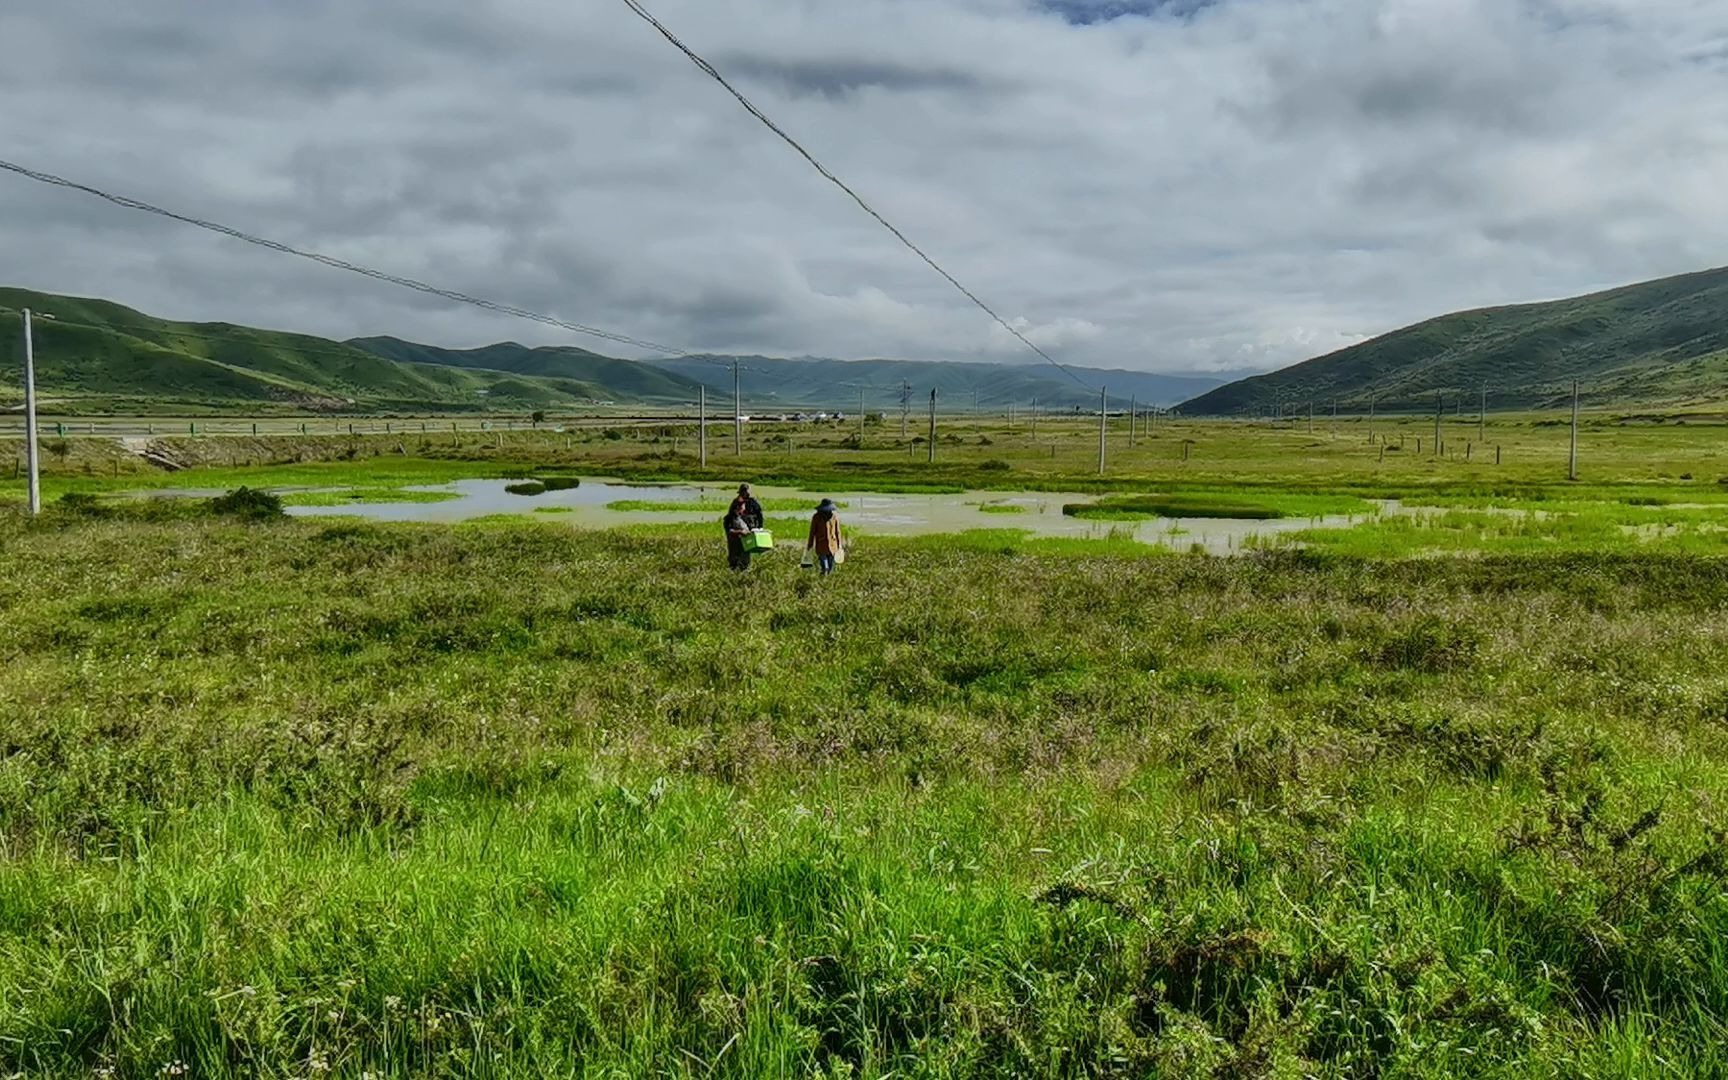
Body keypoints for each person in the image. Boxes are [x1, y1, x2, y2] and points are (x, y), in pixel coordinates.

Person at [806, 498, 844, 575]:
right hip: (821, 546)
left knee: (830, 567)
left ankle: (826, 582)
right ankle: (823, 578)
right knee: (825, 567)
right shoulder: (816, 517)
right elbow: (812, 532)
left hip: (833, 546)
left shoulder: (834, 517)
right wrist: (810, 545)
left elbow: (838, 532)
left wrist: (840, 546)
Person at [724, 505, 754, 571]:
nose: (743, 510)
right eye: (742, 508)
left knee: (745, 564)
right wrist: (740, 532)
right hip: (735, 546)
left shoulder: (744, 517)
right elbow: (729, 531)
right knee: (735, 564)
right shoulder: (729, 518)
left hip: (745, 545)